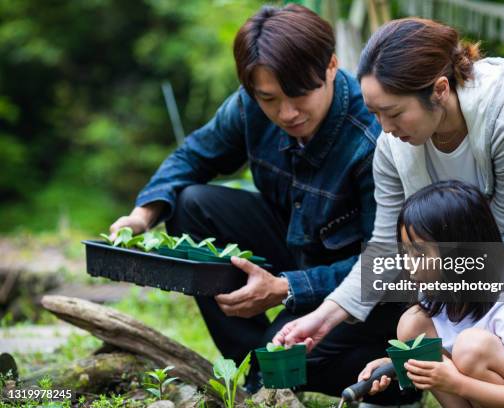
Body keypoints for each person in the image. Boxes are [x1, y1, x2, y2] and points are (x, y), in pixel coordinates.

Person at [108, 4, 421, 406]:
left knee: (282, 356)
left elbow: (387, 261)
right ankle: (250, 366)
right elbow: (193, 156)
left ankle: (393, 377)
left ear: (330, 66)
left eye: (299, 95)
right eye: (270, 98)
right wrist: (141, 216)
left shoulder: (371, 135)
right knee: (190, 205)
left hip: (365, 288)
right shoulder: (249, 107)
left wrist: (286, 288)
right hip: (296, 244)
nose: (287, 113)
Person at [273, 17, 504, 350]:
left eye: (393, 112)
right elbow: (385, 245)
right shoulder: (392, 146)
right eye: (375, 113)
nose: (384, 127)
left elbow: (497, 235)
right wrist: (325, 315)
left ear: (439, 90)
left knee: (485, 268)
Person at [358, 180, 504, 408]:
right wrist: (393, 367)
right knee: (412, 324)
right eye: (405, 252)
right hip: (502, 388)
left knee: (471, 347)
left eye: (419, 255)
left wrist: (457, 383)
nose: (409, 265)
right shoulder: (436, 292)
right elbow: (444, 361)